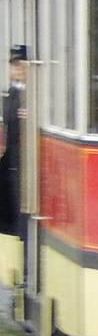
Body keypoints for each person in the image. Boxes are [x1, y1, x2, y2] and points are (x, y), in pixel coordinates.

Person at [0, 45, 25, 237]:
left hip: (25, 158)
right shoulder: (11, 92)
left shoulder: (32, 93)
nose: (17, 69)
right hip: (12, 157)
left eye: (20, 64)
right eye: (14, 65)